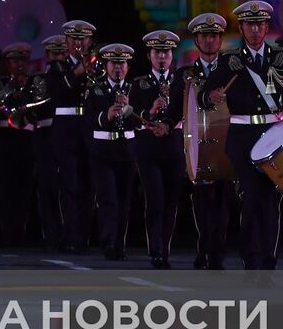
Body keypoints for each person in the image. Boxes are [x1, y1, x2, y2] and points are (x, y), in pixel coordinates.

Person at [200, 1, 283, 274]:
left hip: (274, 136)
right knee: (251, 198)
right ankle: (252, 259)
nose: (255, 30)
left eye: (260, 24)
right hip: (242, 138)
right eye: (250, 25)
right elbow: (204, 95)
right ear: (242, 28)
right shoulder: (229, 60)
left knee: (272, 200)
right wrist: (211, 97)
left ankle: (268, 262)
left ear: (266, 27)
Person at [182, 13, 233, 270]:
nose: (210, 40)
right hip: (198, 148)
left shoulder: (232, 72)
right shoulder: (185, 75)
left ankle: (217, 253)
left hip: (225, 147)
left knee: (223, 201)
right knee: (201, 201)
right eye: (205, 36)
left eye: (215, 36)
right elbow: (175, 112)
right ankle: (204, 247)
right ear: (197, 39)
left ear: (221, 39)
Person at [0, 43, 50, 245]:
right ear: (7, 63)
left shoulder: (36, 83)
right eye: (15, 61)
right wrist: (10, 88)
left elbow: (42, 105)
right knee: (4, 188)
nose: (19, 65)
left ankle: (22, 231)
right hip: (3, 141)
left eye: (23, 60)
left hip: (26, 139)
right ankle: (6, 232)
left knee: (26, 186)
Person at [132, 30, 185, 269]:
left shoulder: (183, 83)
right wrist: (150, 113)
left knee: (172, 200)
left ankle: (165, 248)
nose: (162, 56)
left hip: (173, 144)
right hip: (148, 147)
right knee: (155, 199)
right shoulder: (139, 83)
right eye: (157, 52)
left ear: (173, 54)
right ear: (149, 55)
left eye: (166, 52)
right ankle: (155, 249)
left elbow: (186, 112)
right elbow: (130, 115)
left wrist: (167, 124)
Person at [85, 43, 138, 261]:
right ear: (106, 65)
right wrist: (105, 116)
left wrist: (129, 109)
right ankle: (108, 241)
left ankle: (120, 243)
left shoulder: (135, 90)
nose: (118, 68)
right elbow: (88, 120)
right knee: (108, 199)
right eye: (114, 63)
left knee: (125, 200)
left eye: (122, 63)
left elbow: (143, 120)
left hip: (127, 150)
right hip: (103, 151)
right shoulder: (95, 89)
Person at [49, 20, 96, 252]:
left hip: (88, 126)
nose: (79, 43)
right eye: (74, 39)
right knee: (69, 184)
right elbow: (56, 91)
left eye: (83, 39)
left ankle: (85, 236)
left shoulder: (97, 66)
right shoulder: (57, 67)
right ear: (66, 42)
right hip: (66, 128)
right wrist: (78, 72)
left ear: (89, 41)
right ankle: (70, 236)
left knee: (89, 184)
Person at [32, 35, 71, 250]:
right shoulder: (40, 80)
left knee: (67, 185)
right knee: (47, 186)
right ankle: (52, 234)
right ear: (47, 56)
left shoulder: (70, 78)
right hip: (46, 135)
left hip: (65, 134)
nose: (59, 58)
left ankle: (68, 232)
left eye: (63, 53)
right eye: (55, 54)